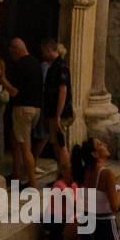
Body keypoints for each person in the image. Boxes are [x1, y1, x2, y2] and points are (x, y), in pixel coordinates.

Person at [0, 38, 43, 187]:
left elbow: (13, 91)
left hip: (23, 109)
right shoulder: (35, 62)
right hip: (35, 109)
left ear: (16, 50)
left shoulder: (22, 65)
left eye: (11, 53)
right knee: (15, 141)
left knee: (24, 147)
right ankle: (16, 177)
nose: (11, 56)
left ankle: (33, 184)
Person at [37, 38, 72, 182]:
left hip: (59, 114)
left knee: (61, 146)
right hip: (53, 113)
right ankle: (61, 177)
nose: (43, 54)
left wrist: (58, 115)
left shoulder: (61, 66)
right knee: (56, 146)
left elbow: (63, 91)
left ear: (49, 49)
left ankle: (68, 178)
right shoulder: (54, 66)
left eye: (44, 51)